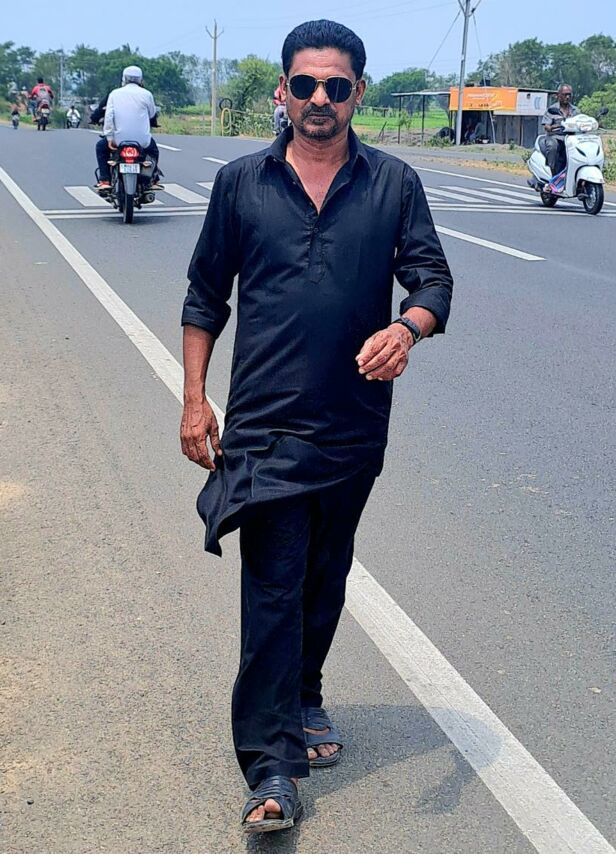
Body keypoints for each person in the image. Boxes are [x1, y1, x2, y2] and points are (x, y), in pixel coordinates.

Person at [180, 19, 453, 834]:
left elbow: (432, 278)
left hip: (352, 425)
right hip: (263, 428)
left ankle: (304, 692)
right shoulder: (241, 183)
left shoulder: (394, 183)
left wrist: (407, 327)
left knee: (324, 577)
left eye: (336, 85)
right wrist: (194, 398)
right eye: (305, 85)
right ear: (283, 91)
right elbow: (205, 296)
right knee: (273, 586)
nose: (320, 99)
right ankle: (272, 767)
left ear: (358, 92)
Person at [95, 66, 162, 192]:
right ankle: (153, 178)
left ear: (124, 79)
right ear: (140, 80)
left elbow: (109, 117)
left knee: (100, 147)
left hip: (118, 140)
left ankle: (104, 180)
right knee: (153, 151)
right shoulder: (147, 94)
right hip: (142, 141)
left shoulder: (114, 94)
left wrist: (109, 138)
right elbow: (152, 114)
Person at [540, 84, 579, 179]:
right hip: (555, 137)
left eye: (569, 94)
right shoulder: (552, 110)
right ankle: (553, 172)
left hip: (571, 138)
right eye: (565, 94)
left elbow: (580, 121)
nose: (567, 97)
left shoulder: (575, 110)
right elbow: (546, 126)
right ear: (558, 95)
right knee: (552, 146)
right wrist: (554, 126)